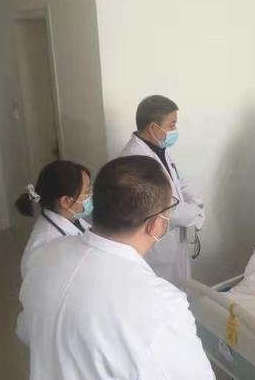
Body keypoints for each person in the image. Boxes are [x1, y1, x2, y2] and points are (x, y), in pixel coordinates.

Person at [17, 156, 214, 380]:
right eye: (170, 207)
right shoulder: (162, 306)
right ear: (156, 224)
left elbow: (27, 329)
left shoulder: (44, 255)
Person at [120, 95, 204, 285]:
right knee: (164, 291)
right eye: (172, 125)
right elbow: (163, 207)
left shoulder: (158, 149)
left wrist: (195, 202)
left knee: (181, 288)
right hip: (156, 245)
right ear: (153, 127)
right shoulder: (135, 160)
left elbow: (179, 182)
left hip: (173, 237)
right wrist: (197, 214)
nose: (175, 130)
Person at [15, 160, 92, 277]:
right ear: (66, 201)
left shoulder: (72, 218)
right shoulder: (47, 245)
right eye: (87, 192)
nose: (91, 195)